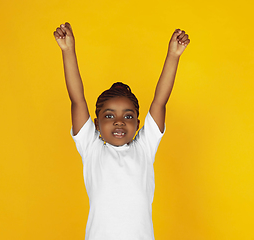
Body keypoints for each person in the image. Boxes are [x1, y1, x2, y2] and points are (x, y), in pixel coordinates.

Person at [53, 22, 190, 240]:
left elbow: (159, 101)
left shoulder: (145, 147)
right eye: (109, 116)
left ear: (138, 123)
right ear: (96, 124)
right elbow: (77, 99)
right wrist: (68, 50)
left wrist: (173, 56)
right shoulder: (91, 147)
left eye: (128, 116)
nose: (119, 122)